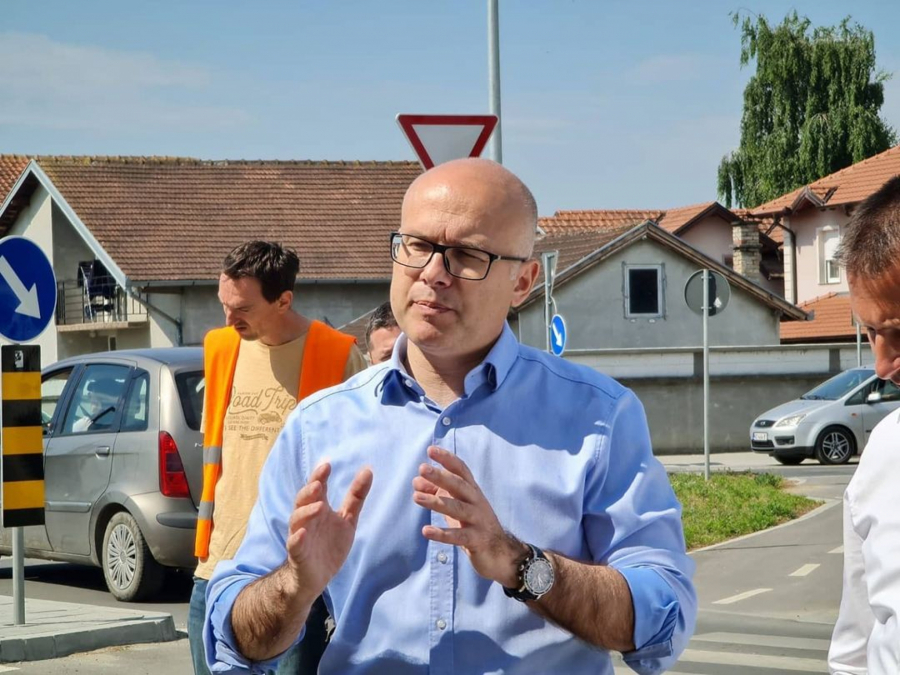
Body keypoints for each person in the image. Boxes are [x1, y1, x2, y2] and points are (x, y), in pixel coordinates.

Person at [204, 159, 696, 674]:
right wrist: (295, 586)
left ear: (523, 282)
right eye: (417, 245)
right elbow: (235, 641)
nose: (432, 273)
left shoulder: (598, 418)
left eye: (467, 255)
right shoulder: (317, 426)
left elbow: (662, 617)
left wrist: (520, 565)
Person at [188, 241, 367, 675]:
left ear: (284, 300)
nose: (229, 319)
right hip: (216, 570)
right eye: (224, 304)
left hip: (294, 579)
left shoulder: (337, 355)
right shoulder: (219, 349)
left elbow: (361, 468)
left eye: (243, 309)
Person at [828, 176, 900, 675]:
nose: (882, 365)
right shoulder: (885, 452)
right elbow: (854, 653)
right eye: (871, 332)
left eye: (898, 333)